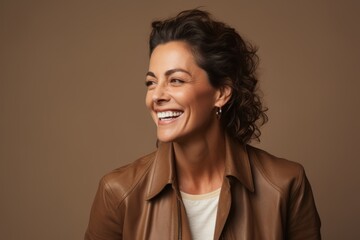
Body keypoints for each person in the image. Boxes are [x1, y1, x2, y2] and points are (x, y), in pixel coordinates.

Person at [84, 9, 321, 240]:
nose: (156, 96)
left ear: (221, 93)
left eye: (176, 80)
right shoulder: (119, 192)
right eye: (151, 82)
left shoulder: (285, 185)